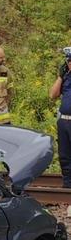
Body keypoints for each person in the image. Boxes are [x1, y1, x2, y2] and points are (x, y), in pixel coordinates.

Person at [49, 51, 71, 187]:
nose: (70, 64)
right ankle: (68, 186)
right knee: (64, 156)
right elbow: (53, 94)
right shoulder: (66, 77)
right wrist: (60, 77)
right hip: (64, 121)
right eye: (68, 61)